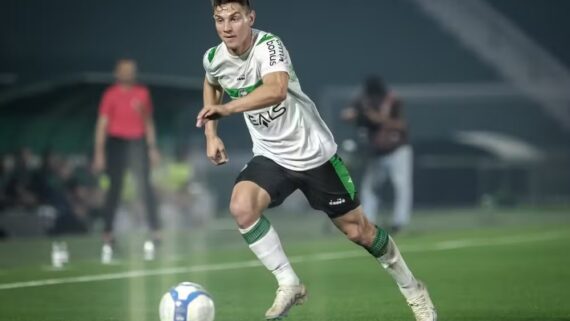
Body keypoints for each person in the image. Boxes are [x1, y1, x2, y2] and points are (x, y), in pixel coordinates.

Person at [196, 1, 436, 320]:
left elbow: (276, 90)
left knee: (359, 232)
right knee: (241, 207)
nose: (227, 27)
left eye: (235, 18)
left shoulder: (270, 47)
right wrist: (212, 135)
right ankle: (288, 282)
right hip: (271, 155)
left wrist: (227, 109)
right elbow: (211, 82)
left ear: (250, 18)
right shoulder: (214, 58)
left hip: (314, 155)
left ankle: (413, 290)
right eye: (219, 19)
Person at [92, 59, 161, 263]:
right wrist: (99, 152)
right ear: (117, 73)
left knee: (145, 188)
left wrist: (152, 148)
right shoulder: (110, 95)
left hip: (138, 143)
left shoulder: (142, 93)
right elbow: (102, 124)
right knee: (114, 189)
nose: (128, 74)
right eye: (124, 71)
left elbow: (148, 122)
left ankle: (155, 232)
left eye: (131, 71)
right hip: (117, 143)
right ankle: (108, 234)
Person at [342, 76, 413, 234]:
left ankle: (399, 221)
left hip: (398, 150)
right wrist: (356, 114)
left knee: (401, 185)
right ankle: (368, 222)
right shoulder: (363, 100)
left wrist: (379, 119)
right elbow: (347, 115)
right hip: (377, 153)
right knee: (370, 188)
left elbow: (402, 125)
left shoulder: (392, 100)